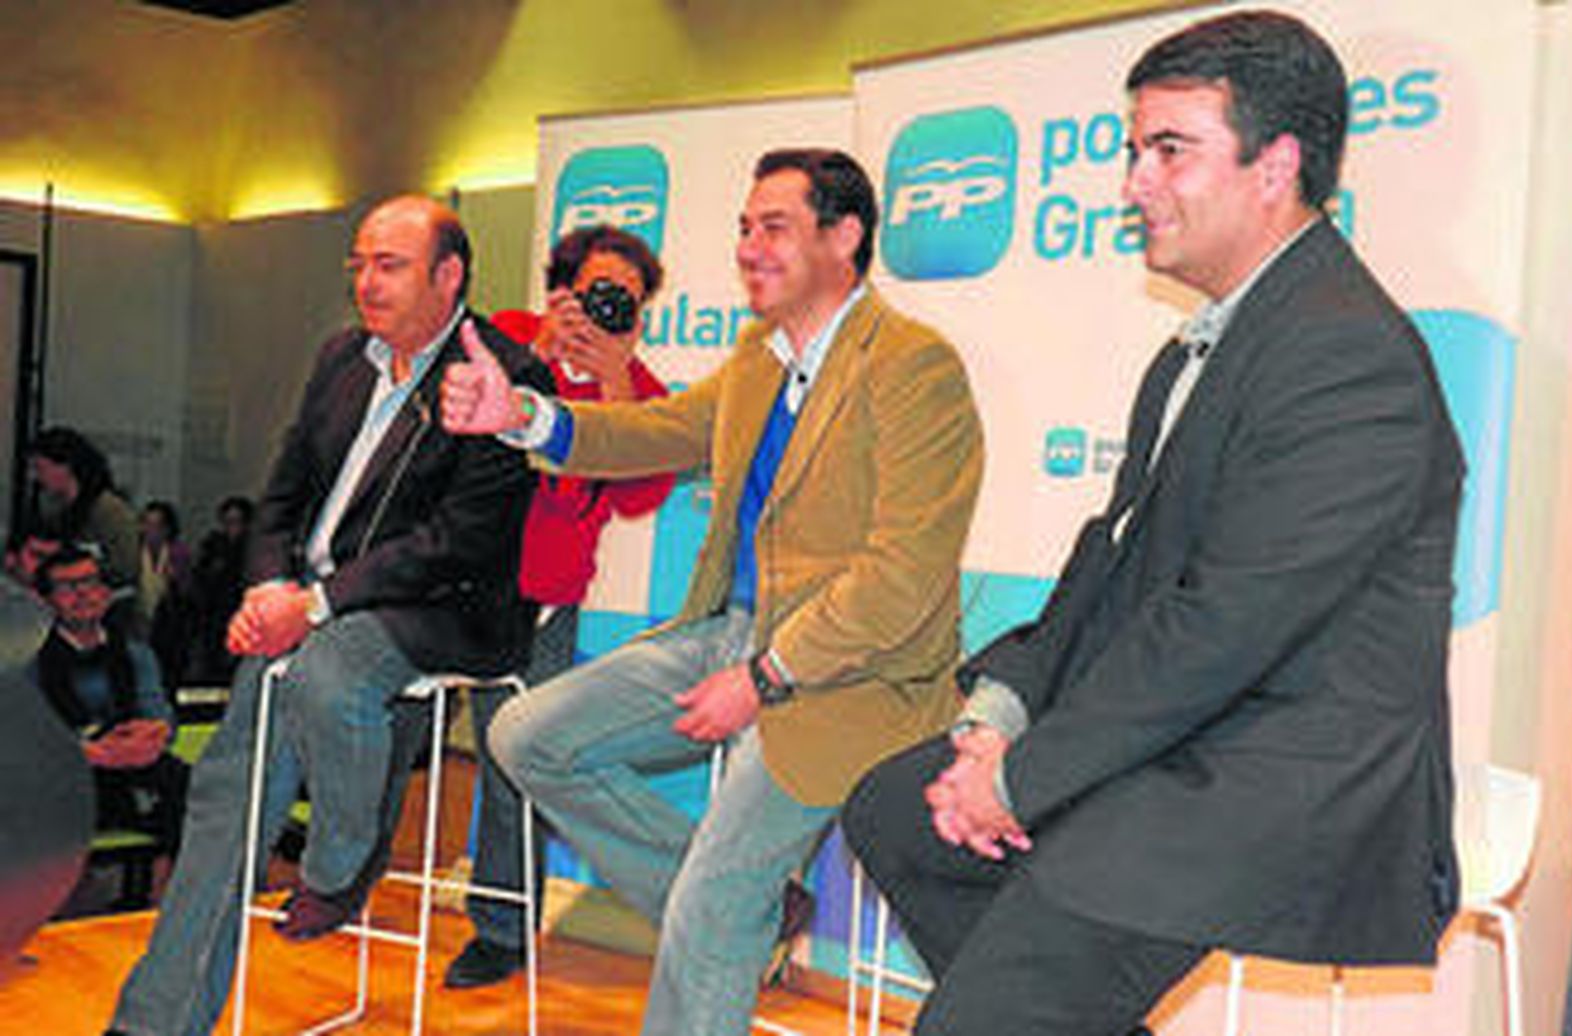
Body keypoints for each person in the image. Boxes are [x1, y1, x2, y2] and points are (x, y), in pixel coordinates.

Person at [840, 12, 1465, 1035]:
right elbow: (1109, 569)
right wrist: (1001, 715)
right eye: (1136, 150)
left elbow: (1227, 625)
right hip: (1182, 739)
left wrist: (1022, 780)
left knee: (979, 1016)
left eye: (1170, 150)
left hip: (1271, 772)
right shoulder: (1196, 350)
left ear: (1275, 167)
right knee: (897, 813)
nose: (1134, 183)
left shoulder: (1346, 355)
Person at [441, 148, 983, 1035]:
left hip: (851, 678)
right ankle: (749, 906)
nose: (748, 248)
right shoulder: (759, 358)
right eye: (744, 228)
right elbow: (657, 429)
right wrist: (525, 416)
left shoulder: (913, 366)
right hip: (728, 635)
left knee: (709, 906)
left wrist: (766, 676)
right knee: (525, 735)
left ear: (844, 237)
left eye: (774, 227)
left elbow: (902, 577)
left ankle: (729, 905)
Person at [102, 194, 549, 1036]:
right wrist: (264, 592)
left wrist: (311, 606)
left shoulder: (507, 375)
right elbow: (281, 495)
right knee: (226, 803)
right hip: (310, 609)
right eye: (359, 265)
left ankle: (342, 860)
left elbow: (456, 543)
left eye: (390, 266)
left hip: (439, 611)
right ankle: (153, 1023)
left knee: (329, 669)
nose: (366, 282)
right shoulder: (342, 357)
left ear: (448, 276)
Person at [441, 225, 676, 991]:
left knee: (513, 756)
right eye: (596, 291)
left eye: (625, 301)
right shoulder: (504, 339)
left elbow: (638, 494)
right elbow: (451, 437)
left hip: (545, 598)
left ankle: (502, 928)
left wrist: (613, 380)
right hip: (459, 579)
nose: (607, 308)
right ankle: (341, 873)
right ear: (562, 288)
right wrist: (537, 358)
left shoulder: (640, 390)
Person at [28, 546, 189, 903]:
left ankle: (166, 898)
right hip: (64, 775)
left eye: (90, 582)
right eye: (67, 587)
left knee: (190, 784)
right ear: (45, 600)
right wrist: (92, 752)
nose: (83, 594)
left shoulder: (134, 652)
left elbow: (159, 714)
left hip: (131, 764)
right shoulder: (29, 659)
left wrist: (149, 736)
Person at [27, 427, 140, 591]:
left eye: (40, 468)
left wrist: (76, 571)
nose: (36, 477)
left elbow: (127, 568)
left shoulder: (110, 510)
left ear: (65, 467)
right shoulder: (56, 509)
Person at [185, 496, 253, 685]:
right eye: (227, 522)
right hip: (213, 615)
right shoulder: (213, 546)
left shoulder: (251, 549)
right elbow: (200, 578)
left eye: (236, 522)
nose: (232, 528)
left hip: (242, 612)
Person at [136, 500, 193, 689]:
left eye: (157, 525)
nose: (150, 530)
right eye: (146, 524)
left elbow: (188, 592)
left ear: (167, 529)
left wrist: (175, 579)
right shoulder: (135, 552)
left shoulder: (178, 552)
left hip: (170, 624)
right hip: (140, 620)